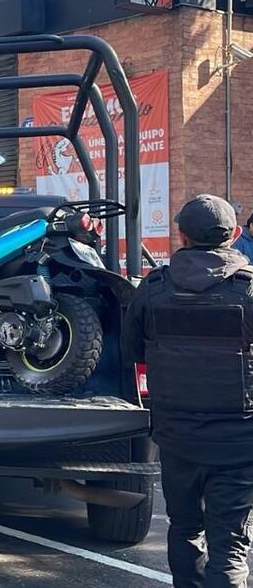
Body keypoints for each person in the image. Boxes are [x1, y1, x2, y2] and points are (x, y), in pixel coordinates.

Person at [123, 194, 253, 588]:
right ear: (233, 234)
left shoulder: (154, 288)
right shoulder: (248, 290)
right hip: (238, 440)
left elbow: (131, 350)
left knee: (183, 528)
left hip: (176, 435)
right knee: (229, 544)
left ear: (180, 235)